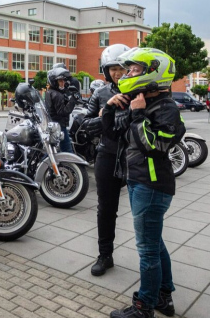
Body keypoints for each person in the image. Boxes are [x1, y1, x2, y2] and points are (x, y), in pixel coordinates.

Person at [103, 47, 185, 318]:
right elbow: (115, 133)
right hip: (139, 182)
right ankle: (164, 298)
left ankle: (144, 307)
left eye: (134, 69)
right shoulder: (142, 101)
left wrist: (137, 115)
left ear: (153, 72)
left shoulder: (166, 108)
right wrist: (110, 108)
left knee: (147, 250)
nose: (128, 74)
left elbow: (155, 145)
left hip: (152, 186)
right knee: (155, 243)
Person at [82, 44, 130, 277]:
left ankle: (149, 261)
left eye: (122, 68)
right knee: (106, 209)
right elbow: (83, 127)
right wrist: (105, 115)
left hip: (135, 157)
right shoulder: (100, 94)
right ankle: (105, 255)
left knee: (144, 213)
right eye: (113, 69)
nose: (118, 73)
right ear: (106, 70)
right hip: (107, 155)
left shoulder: (140, 91)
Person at [45, 67, 79, 153]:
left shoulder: (49, 92)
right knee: (67, 149)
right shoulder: (57, 95)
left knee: (52, 150)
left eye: (63, 80)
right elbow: (63, 111)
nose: (63, 83)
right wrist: (73, 99)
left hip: (53, 124)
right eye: (60, 81)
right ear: (54, 82)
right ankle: (71, 166)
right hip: (60, 126)